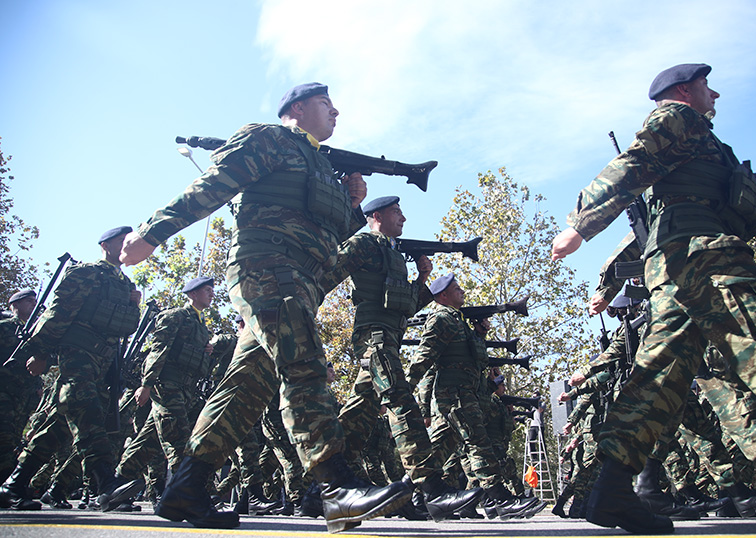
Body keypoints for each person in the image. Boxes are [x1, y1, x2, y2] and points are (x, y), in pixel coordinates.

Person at [551, 63, 756, 534]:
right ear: (683, 91)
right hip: (710, 259)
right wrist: (581, 224)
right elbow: (632, 163)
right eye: (705, 85)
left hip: (677, 267)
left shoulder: (694, 132)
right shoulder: (679, 118)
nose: (713, 93)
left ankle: (612, 490)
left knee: (658, 377)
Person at [119, 83, 411, 532]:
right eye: (325, 104)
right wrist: (152, 233)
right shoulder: (270, 138)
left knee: (246, 389)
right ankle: (334, 486)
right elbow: (215, 183)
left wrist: (352, 204)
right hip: (266, 266)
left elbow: (334, 238)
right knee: (304, 361)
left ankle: (187, 489)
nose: (337, 112)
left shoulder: (319, 163)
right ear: (296, 108)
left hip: (300, 281)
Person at [321, 195, 483, 521]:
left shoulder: (390, 252)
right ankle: (433, 490)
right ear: (377, 215)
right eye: (397, 212)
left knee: (360, 411)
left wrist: (422, 280)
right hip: (373, 337)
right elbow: (326, 275)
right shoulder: (364, 244)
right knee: (399, 397)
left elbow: (407, 306)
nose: (404, 218)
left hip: (389, 338)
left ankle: (321, 487)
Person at [0, 226, 143, 512]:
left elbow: (124, 329)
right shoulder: (86, 272)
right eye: (121, 240)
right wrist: (40, 352)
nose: (128, 244)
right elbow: (58, 313)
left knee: (57, 430)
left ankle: (13, 485)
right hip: (77, 355)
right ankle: (106, 484)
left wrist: (134, 307)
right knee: (88, 414)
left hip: (102, 362)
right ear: (105, 245)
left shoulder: (125, 284)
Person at [406, 273, 543, 519]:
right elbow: (424, 357)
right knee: (479, 442)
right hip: (456, 395)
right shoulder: (442, 318)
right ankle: (501, 500)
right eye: (457, 289)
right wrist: (404, 391)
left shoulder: (457, 321)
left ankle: (405, 495)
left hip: (463, 394)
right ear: (443, 295)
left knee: (437, 451)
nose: (463, 292)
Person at [113, 276, 217, 505]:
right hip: (167, 386)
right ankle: (186, 495)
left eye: (212, 290)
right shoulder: (176, 316)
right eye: (207, 290)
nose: (212, 294)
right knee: (178, 437)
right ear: (192, 294)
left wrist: (205, 351)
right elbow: (158, 351)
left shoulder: (201, 326)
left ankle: (115, 484)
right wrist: (146, 384)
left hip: (184, 389)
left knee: (148, 442)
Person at [0, 290, 44, 482]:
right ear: (14, 305)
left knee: (14, 436)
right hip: (4, 391)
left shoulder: (36, 332)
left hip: (24, 395)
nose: (33, 305)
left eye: (34, 302)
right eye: (28, 301)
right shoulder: (5, 328)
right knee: (5, 435)